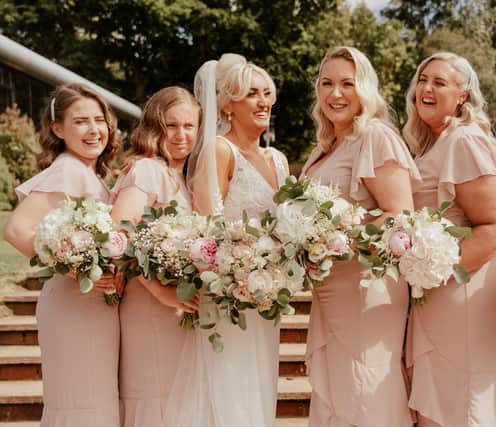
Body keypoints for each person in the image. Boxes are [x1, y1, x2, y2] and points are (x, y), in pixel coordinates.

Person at [164, 53, 288, 427]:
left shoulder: (278, 159)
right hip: (227, 295)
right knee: (228, 390)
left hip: (266, 297)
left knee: (259, 388)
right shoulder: (220, 150)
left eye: (267, 93)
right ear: (228, 105)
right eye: (251, 94)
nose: (263, 101)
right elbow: (207, 227)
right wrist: (240, 267)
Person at [301, 46, 420, 426]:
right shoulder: (323, 149)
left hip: (367, 290)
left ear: (365, 89)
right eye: (327, 83)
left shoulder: (376, 137)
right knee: (340, 393)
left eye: (347, 84)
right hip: (331, 291)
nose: (335, 94)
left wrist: (334, 241)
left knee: (366, 390)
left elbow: (400, 215)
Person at [403, 52, 496, 426]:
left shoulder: (464, 141)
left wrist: (441, 271)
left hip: (466, 290)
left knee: (465, 395)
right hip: (440, 289)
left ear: (463, 95)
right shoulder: (435, 143)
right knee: (444, 393)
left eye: (439, 82)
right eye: (423, 80)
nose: (426, 88)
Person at [3, 83, 121, 426]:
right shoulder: (68, 169)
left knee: (91, 400)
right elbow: (15, 230)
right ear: (57, 128)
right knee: (80, 402)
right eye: (81, 121)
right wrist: (74, 270)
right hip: (74, 305)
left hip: (92, 305)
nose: (94, 129)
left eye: (99, 119)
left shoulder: (88, 173)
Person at [110, 86, 201, 426]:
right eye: (171, 126)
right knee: (154, 399)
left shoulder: (186, 177)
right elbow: (120, 232)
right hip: (149, 307)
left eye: (189, 126)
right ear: (154, 128)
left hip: (178, 311)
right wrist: (160, 291)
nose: (181, 135)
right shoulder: (148, 170)